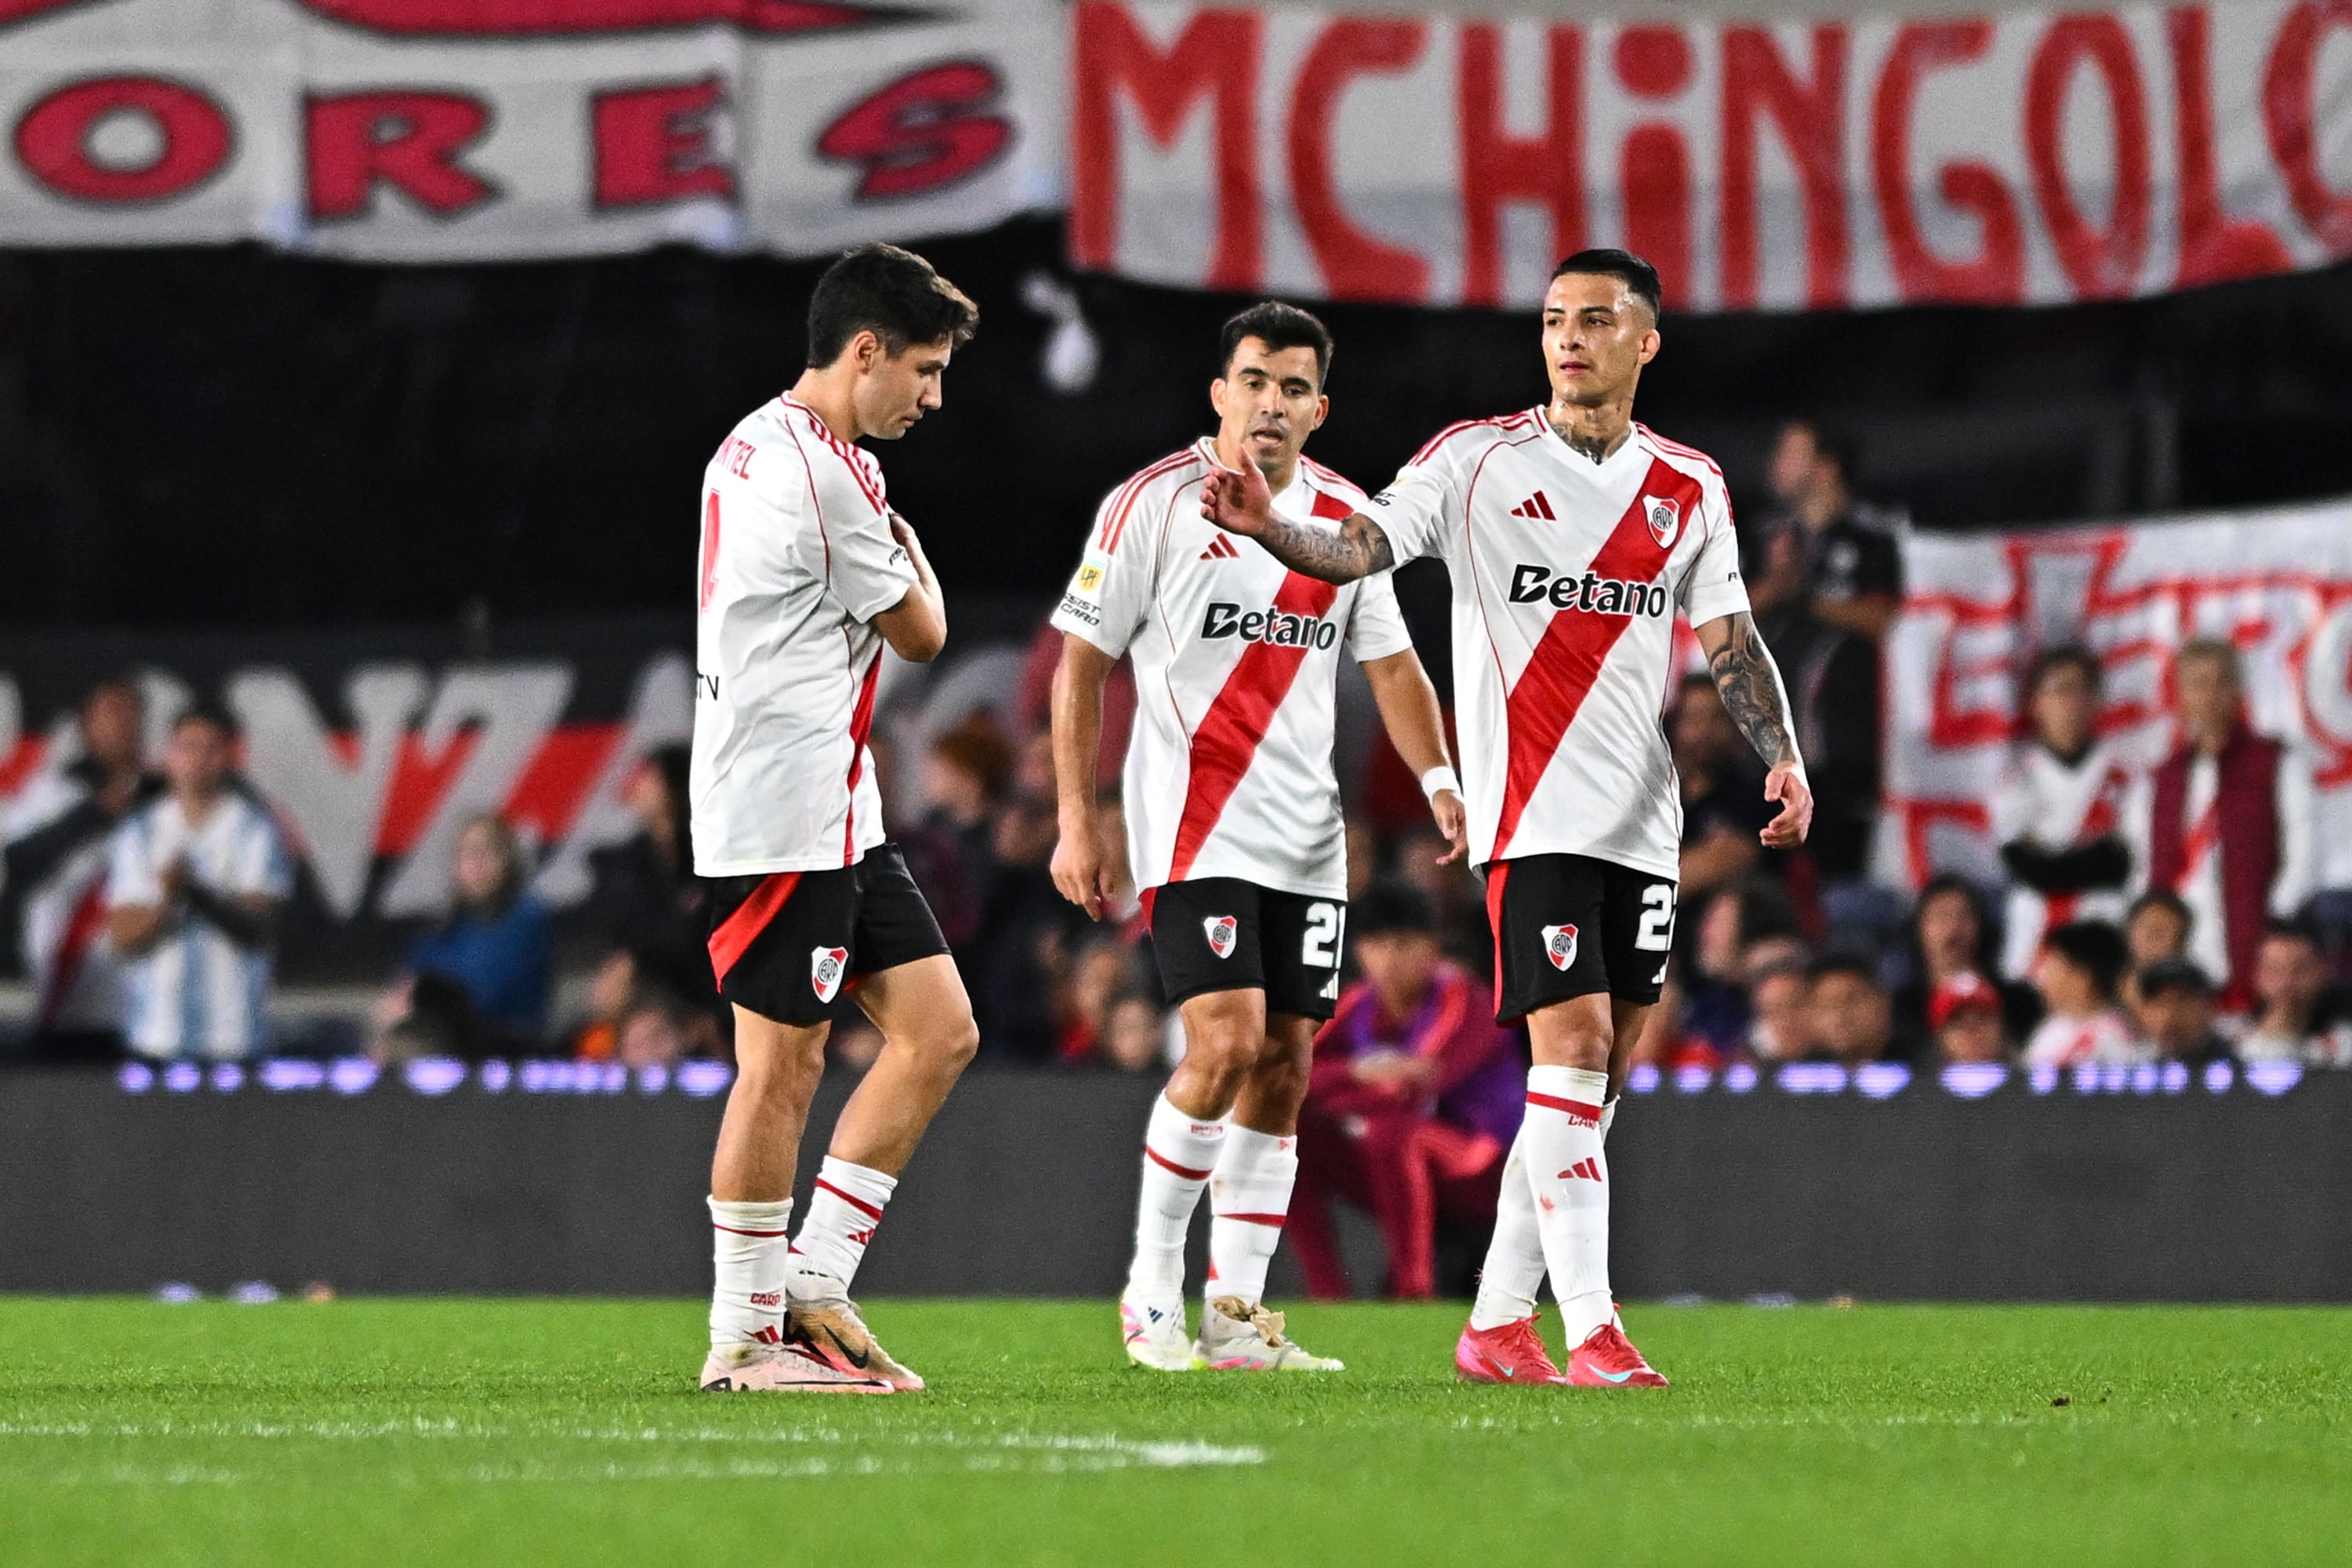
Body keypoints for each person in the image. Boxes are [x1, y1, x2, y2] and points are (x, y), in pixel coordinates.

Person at [1201, 249, 1814, 1388]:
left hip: (1643, 825)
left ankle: (1493, 1322)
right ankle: (1596, 1330)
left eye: (1596, 319)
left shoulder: (1689, 484)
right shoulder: (1476, 461)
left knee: (1593, 1085)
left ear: (1646, 342)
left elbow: (1730, 638)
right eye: (1554, 319)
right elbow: (1362, 547)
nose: (1569, 337)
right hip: (1532, 819)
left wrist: (1783, 756)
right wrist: (1275, 526)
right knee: (1570, 1056)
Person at [1049, 300, 1464, 1374]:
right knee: (1225, 1045)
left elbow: (1393, 666)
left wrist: (1440, 780)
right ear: (1219, 393)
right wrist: (1075, 819)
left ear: (1319, 408)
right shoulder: (1152, 503)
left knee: (1283, 1066)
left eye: (1292, 388)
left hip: (1307, 845)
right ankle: (1151, 1291)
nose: (1270, 403)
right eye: (1254, 381)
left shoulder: (1343, 521)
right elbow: (1082, 667)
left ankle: (1235, 1319)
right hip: (1193, 832)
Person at [689, 243, 981, 1396]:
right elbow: (924, 635)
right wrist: (920, 558)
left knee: (938, 1030)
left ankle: (812, 1284)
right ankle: (744, 1340)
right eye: (925, 368)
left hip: (835, 806)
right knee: (781, 1065)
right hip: (778, 808)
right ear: (866, 351)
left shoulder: (756, 440)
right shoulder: (823, 473)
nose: (934, 396)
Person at [1289, 881, 1522, 1302]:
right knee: (1290, 1134)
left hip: (1485, 1169)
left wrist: (1344, 1092)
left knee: (1393, 1133)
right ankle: (1327, 1294)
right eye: (1377, 945)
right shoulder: (1357, 1002)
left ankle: (1413, 1289)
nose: (1390, 958)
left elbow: (1414, 1088)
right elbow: (1290, 1079)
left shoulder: (1464, 999)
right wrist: (1357, 1072)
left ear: (1432, 948)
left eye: (1403, 944)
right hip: (1400, 1161)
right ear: (1359, 951)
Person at [1745, 419, 1904, 926]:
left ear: (1826, 467)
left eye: (1791, 452)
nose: (1776, 464)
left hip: (1841, 750)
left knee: (1841, 895)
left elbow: (1885, 619)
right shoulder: (1764, 539)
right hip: (1763, 752)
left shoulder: (1872, 538)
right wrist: (1776, 584)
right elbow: (1722, 617)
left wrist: (1809, 596)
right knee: (1764, 892)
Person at [2130, 639, 2314, 1005]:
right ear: (2180, 695)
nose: (2210, 695)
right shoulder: (2159, 780)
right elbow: (2143, 866)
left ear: (2237, 690)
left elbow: (2304, 850)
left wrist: (2276, 920)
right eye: (2198, 683)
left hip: (2258, 939)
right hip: (2182, 948)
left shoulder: (2276, 762)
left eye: (2221, 682)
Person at [103, 705, 290, 1062]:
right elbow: (123, 936)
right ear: (169, 756)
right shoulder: (140, 832)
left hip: (234, 1037)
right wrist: (167, 902)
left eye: (211, 748)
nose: (198, 759)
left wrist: (198, 893)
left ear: (229, 757)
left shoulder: (254, 829)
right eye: (188, 747)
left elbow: (261, 926)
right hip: (157, 1036)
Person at [2, 676, 160, 1058]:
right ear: (86, 725)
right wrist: (93, 813)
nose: (121, 724)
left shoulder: (165, 799)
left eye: (129, 713)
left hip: (153, 1010)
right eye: (109, 713)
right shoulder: (54, 791)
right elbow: (16, 862)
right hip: (73, 1000)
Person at [1992, 648, 2136, 979]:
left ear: (2098, 701)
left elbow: (2122, 865)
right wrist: (2095, 857)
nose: (2071, 701)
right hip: (2032, 947)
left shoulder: (2127, 777)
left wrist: (2053, 860)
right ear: (2035, 703)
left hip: (2106, 939)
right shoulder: (2015, 781)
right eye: (2060, 689)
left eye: (2082, 689)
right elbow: (2026, 868)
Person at [379, 813, 554, 1057]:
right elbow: (410, 979)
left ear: (507, 859)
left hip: (502, 1047)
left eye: (486, 851)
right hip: (441, 1043)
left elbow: (485, 996)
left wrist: (422, 1004)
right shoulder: (447, 922)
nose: (476, 862)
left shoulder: (526, 917)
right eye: (466, 853)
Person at [1888, 875, 2039, 1055]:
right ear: (1919, 928)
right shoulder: (1904, 1008)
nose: (1953, 928)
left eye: (1964, 916)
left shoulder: (2018, 1000)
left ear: (1981, 926)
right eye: (1941, 916)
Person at [1670, 673, 1773, 902]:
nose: (1704, 732)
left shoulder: (1759, 795)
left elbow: (1727, 859)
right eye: (1693, 719)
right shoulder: (1657, 797)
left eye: (1717, 718)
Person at [2022, 920, 2140, 1068]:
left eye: (2053, 965)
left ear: (2083, 978)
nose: (2042, 975)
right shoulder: (2055, 1026)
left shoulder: (2107, 1039)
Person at [2235, 920, 2352, 1066]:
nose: (2287, 982)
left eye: (2300, 970)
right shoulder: (2231, 1035)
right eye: (2274, 970)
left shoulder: (2345, 1035)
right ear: (2256, 975)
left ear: (2324, 971)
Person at [2131, 958, 2234, 1067]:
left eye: (2182, 1000)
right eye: (2159, 1003)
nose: (2170, 1014)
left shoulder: (2234, 1070)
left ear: (2208, 1007)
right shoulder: (2141, 1068)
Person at [1803, 954, 1894, 1067]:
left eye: (1851, 1000)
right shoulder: (1800, 1071)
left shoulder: (1912, 1065)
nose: (1839, 1015)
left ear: (1883, 1002)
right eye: (1825, 1004)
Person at [1929, 971, 2012, 1065]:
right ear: (1941, 1035)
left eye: (1982, 1018)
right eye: (1959, 1023)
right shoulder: (1923, 1074)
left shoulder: (2025, 1073)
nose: (1973, 1030)